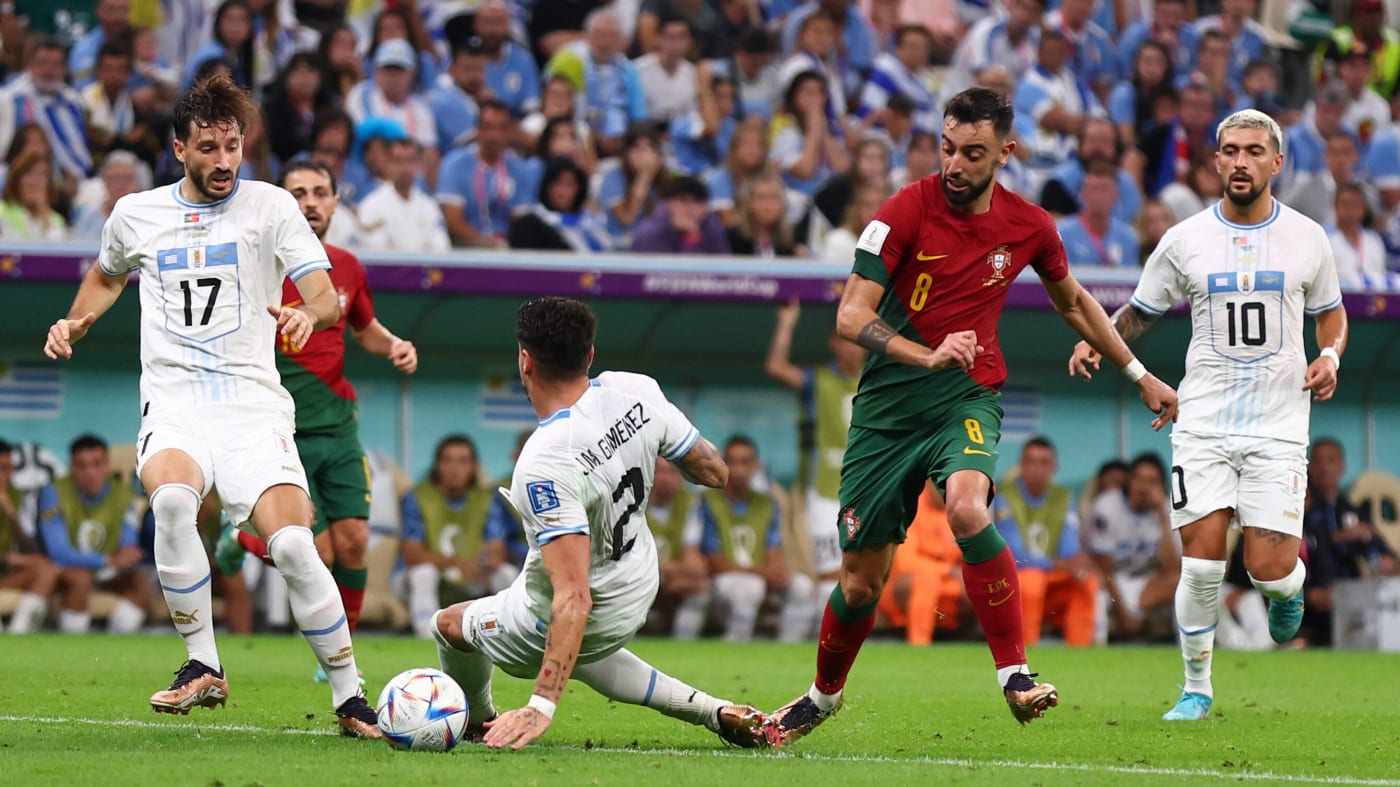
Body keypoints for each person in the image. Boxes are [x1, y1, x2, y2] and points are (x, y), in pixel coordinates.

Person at [767, 87, 1178, 746]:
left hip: (968, 394)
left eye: (973, 153)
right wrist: (925, 355)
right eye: (947, 148)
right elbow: (849, 315)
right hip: (886, 412)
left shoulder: (1031, 226)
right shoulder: (902, 210)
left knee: (967, 506)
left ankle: (1015, 672)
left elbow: (1073, 302)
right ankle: (823, 696)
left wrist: (1140, 374)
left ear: (1006, 154)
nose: (955, 164)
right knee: (862, 582)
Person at [41, 74, 380, 737]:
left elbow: (321, 291)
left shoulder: (271, 206)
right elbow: (106, 276)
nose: (224, 160)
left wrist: (310, 314)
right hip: (176, 401)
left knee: (293, 544)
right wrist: (76, 320)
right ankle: (202, 664)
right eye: (209, 147)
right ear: (179, 149)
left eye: (233, 145)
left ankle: (351, 697)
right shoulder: (136, 213)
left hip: (253, 407)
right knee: (171, 499)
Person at [1069, 109, 1348, 720]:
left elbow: (1331, 313)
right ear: (1215, 161)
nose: (1241, 161)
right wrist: (1104, 338)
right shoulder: (1185, 239)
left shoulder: (1308, 237)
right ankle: (1197, 687)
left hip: (1278, 426)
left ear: (1276, 162)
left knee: (1269, 569)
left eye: (1253, 151)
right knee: (1200, 564)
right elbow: (1141, 311)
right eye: (1229, 150)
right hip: (1202, 423)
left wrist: (1329, 354)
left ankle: (1286, 591)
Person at [431, 296, 772, 750]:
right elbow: (716, 472)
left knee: (450, 625)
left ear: (525, 360)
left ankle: (477, 719)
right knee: (582, 641)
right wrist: (640, 442)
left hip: (582, 607)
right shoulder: (636, 390)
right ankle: (712, 710)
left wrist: (541, 704)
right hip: (638, 580)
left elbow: (573, 598)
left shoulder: (544, 458)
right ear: (589, 355)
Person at [216, 158, 419, 680]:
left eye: (319, 192)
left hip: (340, 425)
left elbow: (365, 327)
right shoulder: (253, 264)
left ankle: (339, 658)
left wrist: (394, 345)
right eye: (298, 192)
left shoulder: (347, 267)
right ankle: (239, 538)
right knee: (319, 550)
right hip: (280, 429)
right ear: (280, 202)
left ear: (333, 201)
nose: (309, 202)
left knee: (353, 542)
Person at [765, 297, 865, 630]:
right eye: (846, 341)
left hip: (864, 493)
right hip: (822, 493)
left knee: (851, 581)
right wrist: (787, 322)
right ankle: (808, 656)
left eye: (858, 341)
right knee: (821, 582)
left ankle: (830, 658)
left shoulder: (879, 384)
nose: (853, 349)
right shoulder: (818, 380)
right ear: (834, 343)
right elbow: (777, 367)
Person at [400, 435, 517, 639]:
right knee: (423, 573)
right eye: (448, 460)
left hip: (471, 578)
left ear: (474, 467)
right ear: (437, 466)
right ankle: (426, 635)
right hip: (426, 582)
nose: (455, 468)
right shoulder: (419, 497)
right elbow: (412, 554)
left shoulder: (486, 499)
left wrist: (488, 560)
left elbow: (497, 548)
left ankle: (511, 635)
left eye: (463, 461)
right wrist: (457, 563)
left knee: (506, 573)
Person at [37, 433, 148, 635]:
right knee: (81, 579)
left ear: (107, 465)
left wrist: (118, 558)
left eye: (97, 464)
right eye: (82, 465)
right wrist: (109, 560)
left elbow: (128, 546)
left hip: (107, 570)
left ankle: (116, 645)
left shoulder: (123, 495)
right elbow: (58, 552)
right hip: (68, 570)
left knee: (140, 581)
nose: (90, 472)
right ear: (72, 467)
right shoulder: (54, 493)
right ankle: (73, 646)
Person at [992, 437, 1098, 647]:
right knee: (1031, 580)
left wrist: (1076, 564)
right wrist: (1060, 564)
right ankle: (1024, 654)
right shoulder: (1004, 496)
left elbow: (1069, 550)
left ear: (1054, 467)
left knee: (1087, 580)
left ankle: (1081, 652)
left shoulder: (1063, 498)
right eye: (1031, 461)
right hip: (1013, 584)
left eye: (1044, 463)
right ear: (1021, 465)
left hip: (1051, 579)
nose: (1037, 469)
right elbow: (1016, 557)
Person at [698, 436, 804, 642]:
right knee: (749, 587)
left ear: (755, 465)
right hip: (721, 586)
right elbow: (714, 563)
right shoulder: (708, 501)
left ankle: (788, 652)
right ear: (722, 464)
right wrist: (763, 573)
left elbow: (772, 547)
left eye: (745, 462)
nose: (739, 469)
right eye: (733, 462)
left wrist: (777, 572)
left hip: (759, 578)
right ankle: (736, 648)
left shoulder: (767, 503)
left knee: (802, 587)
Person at [876, 483, 965, 645]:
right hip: (897, 588)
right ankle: (919, 644)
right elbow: (906, 563)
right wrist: (949, 570)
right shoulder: (907, 505)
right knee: (926, 579)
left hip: (947, 590)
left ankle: (974, 646)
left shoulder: (962, 509)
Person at [0, 437, 60, 634]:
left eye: (9, 469)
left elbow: (29, 548)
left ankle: (20, 632)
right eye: (2, 468)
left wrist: (11, 515)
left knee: (46, 569)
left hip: (4, 571)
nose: (8, 475)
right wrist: (11, 558)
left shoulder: (13, 494)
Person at [356, 138, 452, 254]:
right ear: (388, 164)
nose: (405, 168)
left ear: (419, 165)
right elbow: (376, 251)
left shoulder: (430, 207)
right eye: (398, 161)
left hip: (424, 270)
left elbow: (441, 248)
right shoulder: (371, 206)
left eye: (411, 160)